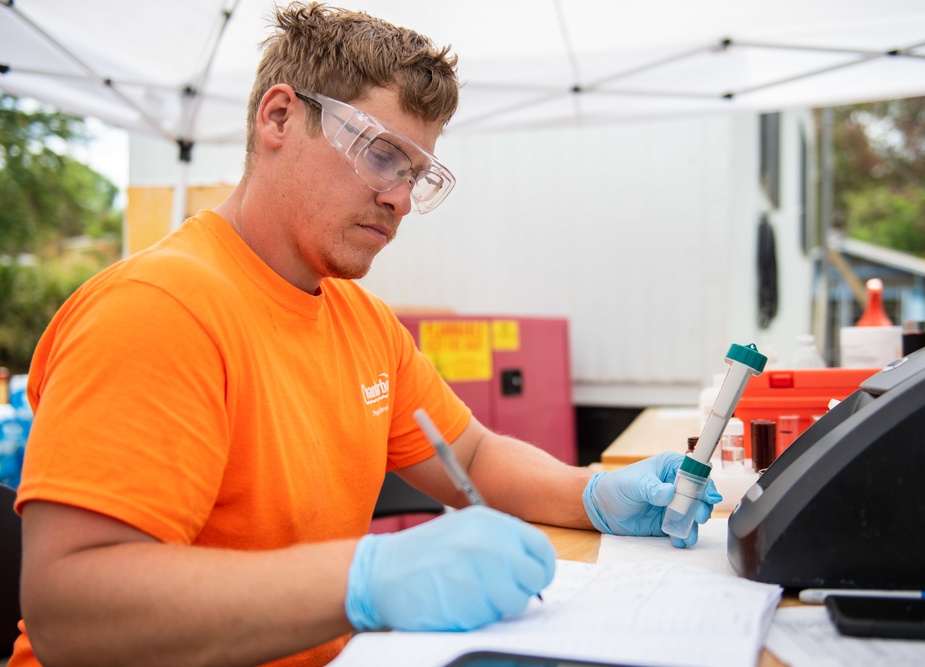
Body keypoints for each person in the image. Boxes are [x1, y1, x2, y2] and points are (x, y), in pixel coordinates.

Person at [10, 3, 721, 666]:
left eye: (419, 174)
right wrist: (365, 577)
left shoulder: (360, 320)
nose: (401, 200)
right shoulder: (158, 309)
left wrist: (591, 495)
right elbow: (68, 607)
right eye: (382, 154)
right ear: (281, 118)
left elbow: (469, 451)